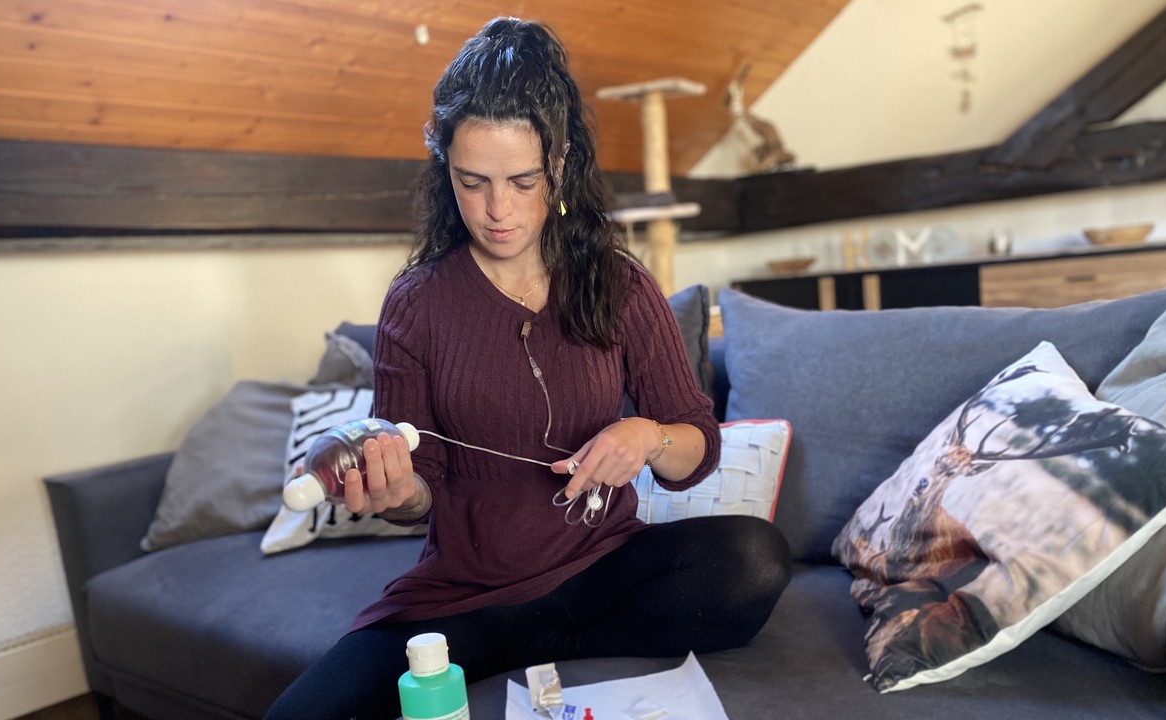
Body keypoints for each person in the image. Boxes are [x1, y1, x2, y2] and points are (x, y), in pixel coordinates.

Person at [265, 17, 790, 720]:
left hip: (605, 571)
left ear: (560, 165)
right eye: (472, 182)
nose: (498, 211)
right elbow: (420, 494)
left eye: (522, 181)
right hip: (467, 599)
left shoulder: (620, 285)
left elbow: (698, 446)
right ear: (446, 172)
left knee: (754, 558)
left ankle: (552, 650)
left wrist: (648, 436)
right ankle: (536, 651)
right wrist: (395, 492)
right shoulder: (417, 303)